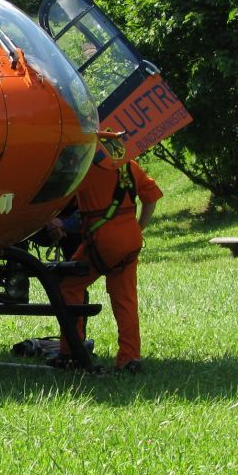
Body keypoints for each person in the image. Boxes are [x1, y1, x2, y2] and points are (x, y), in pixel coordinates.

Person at [51, 150, 162, 373]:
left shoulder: (85, 168)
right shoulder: (129, 166)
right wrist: (139, 227)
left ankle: (71, 352)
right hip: (131, 238)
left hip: (102, 240)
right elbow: (151, 198)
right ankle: (129, 359)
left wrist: (57, 223)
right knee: (125, 300)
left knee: (69, 286)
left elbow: (58, 200)